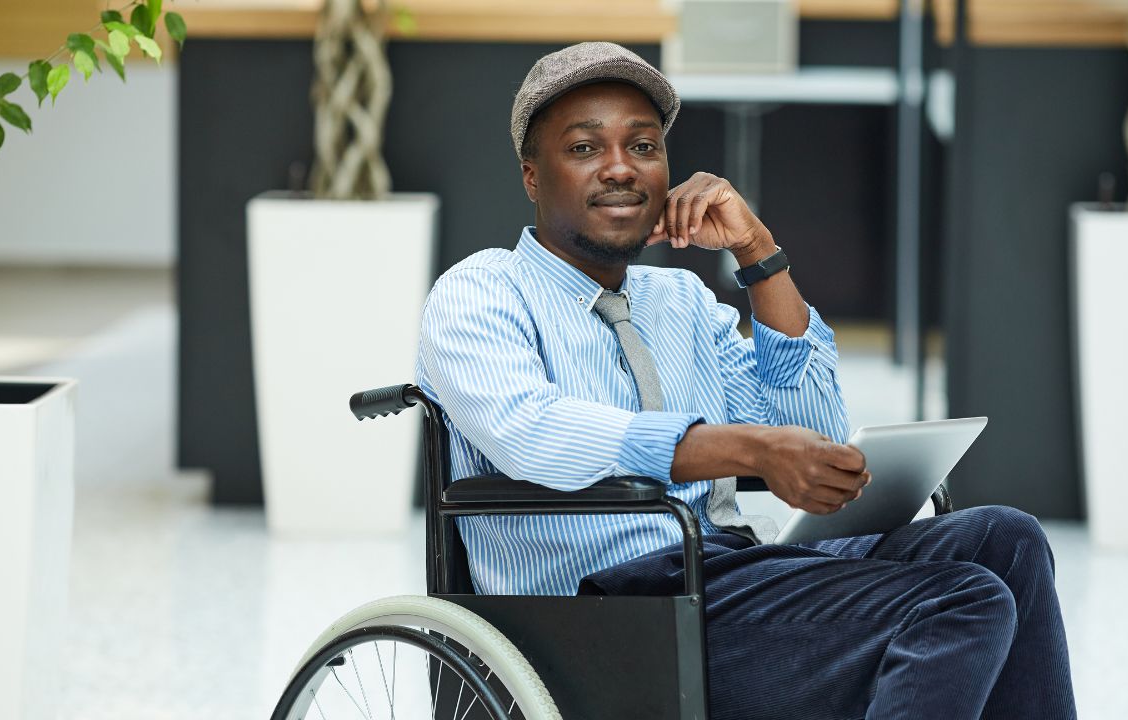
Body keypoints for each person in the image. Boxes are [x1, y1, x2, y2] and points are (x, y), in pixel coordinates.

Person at [415, 42, 1075, 719]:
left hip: (724, 578)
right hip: (604, 613)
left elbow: (814, 436)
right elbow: (533, 432)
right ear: (532, 177)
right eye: (585, 149)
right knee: (961, 602)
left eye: (643, 147)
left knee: (1008, 543)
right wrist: (749, 450)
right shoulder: (481, 291)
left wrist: (759, 256)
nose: (619, 169)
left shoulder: (683, 302)